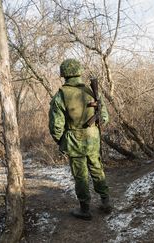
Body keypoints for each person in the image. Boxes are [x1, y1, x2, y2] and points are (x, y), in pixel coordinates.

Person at [48, 58, 112, 220]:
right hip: (93, 138)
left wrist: (62, 141)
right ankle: (106, 202)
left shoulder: (61, 95)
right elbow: (104, 117)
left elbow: (56, 127)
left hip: (74, 141)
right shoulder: (92, 92)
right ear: (79, 72)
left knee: (80, 175)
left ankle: (85, 210)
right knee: (97, 169)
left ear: (64, 74)